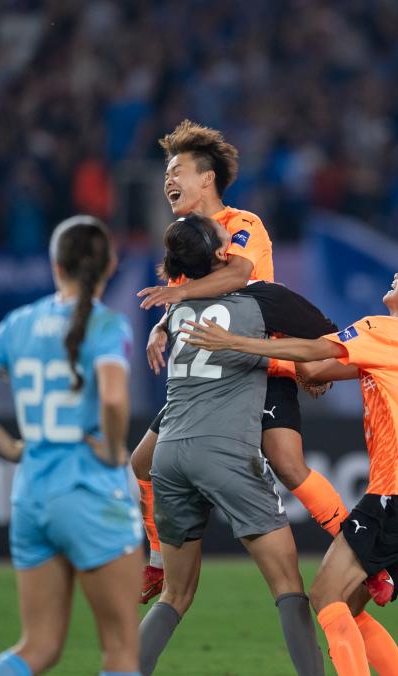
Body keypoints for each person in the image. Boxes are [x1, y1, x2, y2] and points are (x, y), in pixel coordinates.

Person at [181, 248, 398, 676]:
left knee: (325, 596)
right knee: (348, 608)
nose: (397, 274)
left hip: (397, 490)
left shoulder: (383, 328)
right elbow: (315, 371)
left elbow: (316, 349)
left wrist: (234, 342)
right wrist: (275, 352)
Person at [131, 120, 346, 603]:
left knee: (288, 463)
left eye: (176, 171)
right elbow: (190, 302)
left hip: (258, 368)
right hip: (205, 383)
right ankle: (159, 560)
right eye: (166, 174)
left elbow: (236, 277)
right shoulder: (185, 239)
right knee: (141, 463)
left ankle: (356, 542)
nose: (168, 181)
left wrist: (177, 296)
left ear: (207, 178)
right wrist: (162, 324)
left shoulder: (243, 224)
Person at [0, 216, 141, 676]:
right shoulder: (107, 325)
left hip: (31, 494)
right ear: (110, 265)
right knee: (120, 651)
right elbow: (113, 398)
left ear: (56, 266)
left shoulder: (21, 323)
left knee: (38, 647)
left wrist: (10, 447)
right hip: (90, 492)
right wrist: (114, 450)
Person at [137, 214, 335, 676]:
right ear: (219, 253)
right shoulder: (264, 297)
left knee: (175, 595)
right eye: (225, 237)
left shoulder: (178, 309)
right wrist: (306, 370)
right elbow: (330, 340)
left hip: (170, 454)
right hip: (226, 453)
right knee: (288, 586)